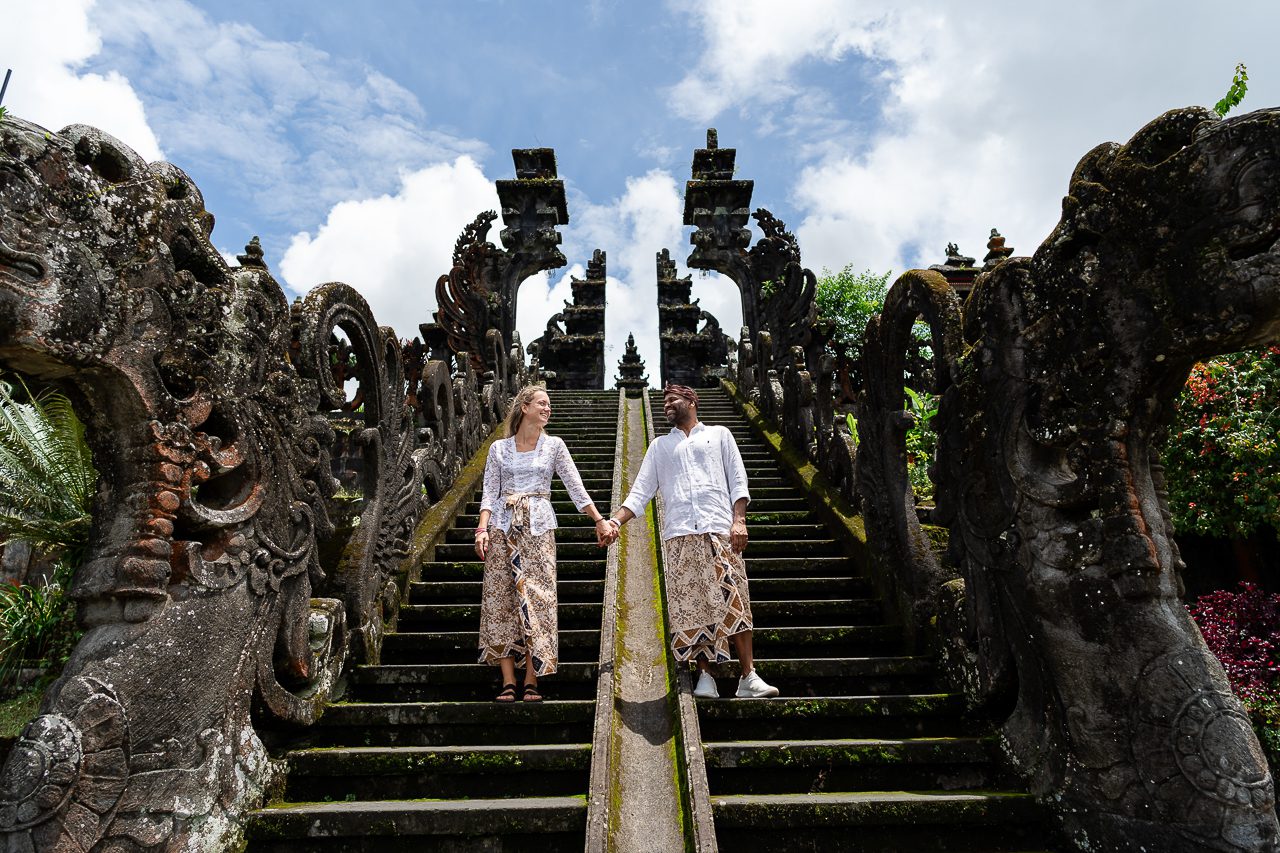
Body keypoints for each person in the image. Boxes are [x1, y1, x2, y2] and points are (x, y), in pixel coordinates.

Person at [602, 383, 778, 699]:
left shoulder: (720, 435)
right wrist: (614, 522)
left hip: (719, 529)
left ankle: (748, 676)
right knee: (693, 607)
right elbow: (640, 492)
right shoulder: (659, 447)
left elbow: (738, 480)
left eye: (673, 400)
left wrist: (739, 521)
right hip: (680, 535)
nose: (667, 405)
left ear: (691, 401)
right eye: (664, 401)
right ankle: (705, 676)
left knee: (735, 600)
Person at [476, 385, 612, 703]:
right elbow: (489, 492)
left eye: (548, 405)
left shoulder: (554, 446)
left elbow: (575, 486)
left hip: (538, 530)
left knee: (538, 601)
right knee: (502, 600)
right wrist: (481, 530)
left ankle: (532, 677)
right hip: (501, 528)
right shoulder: (498, 449)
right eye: (542, 403)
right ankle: (508, 680)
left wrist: (599, 519)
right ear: (524, 407)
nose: (547, 409)